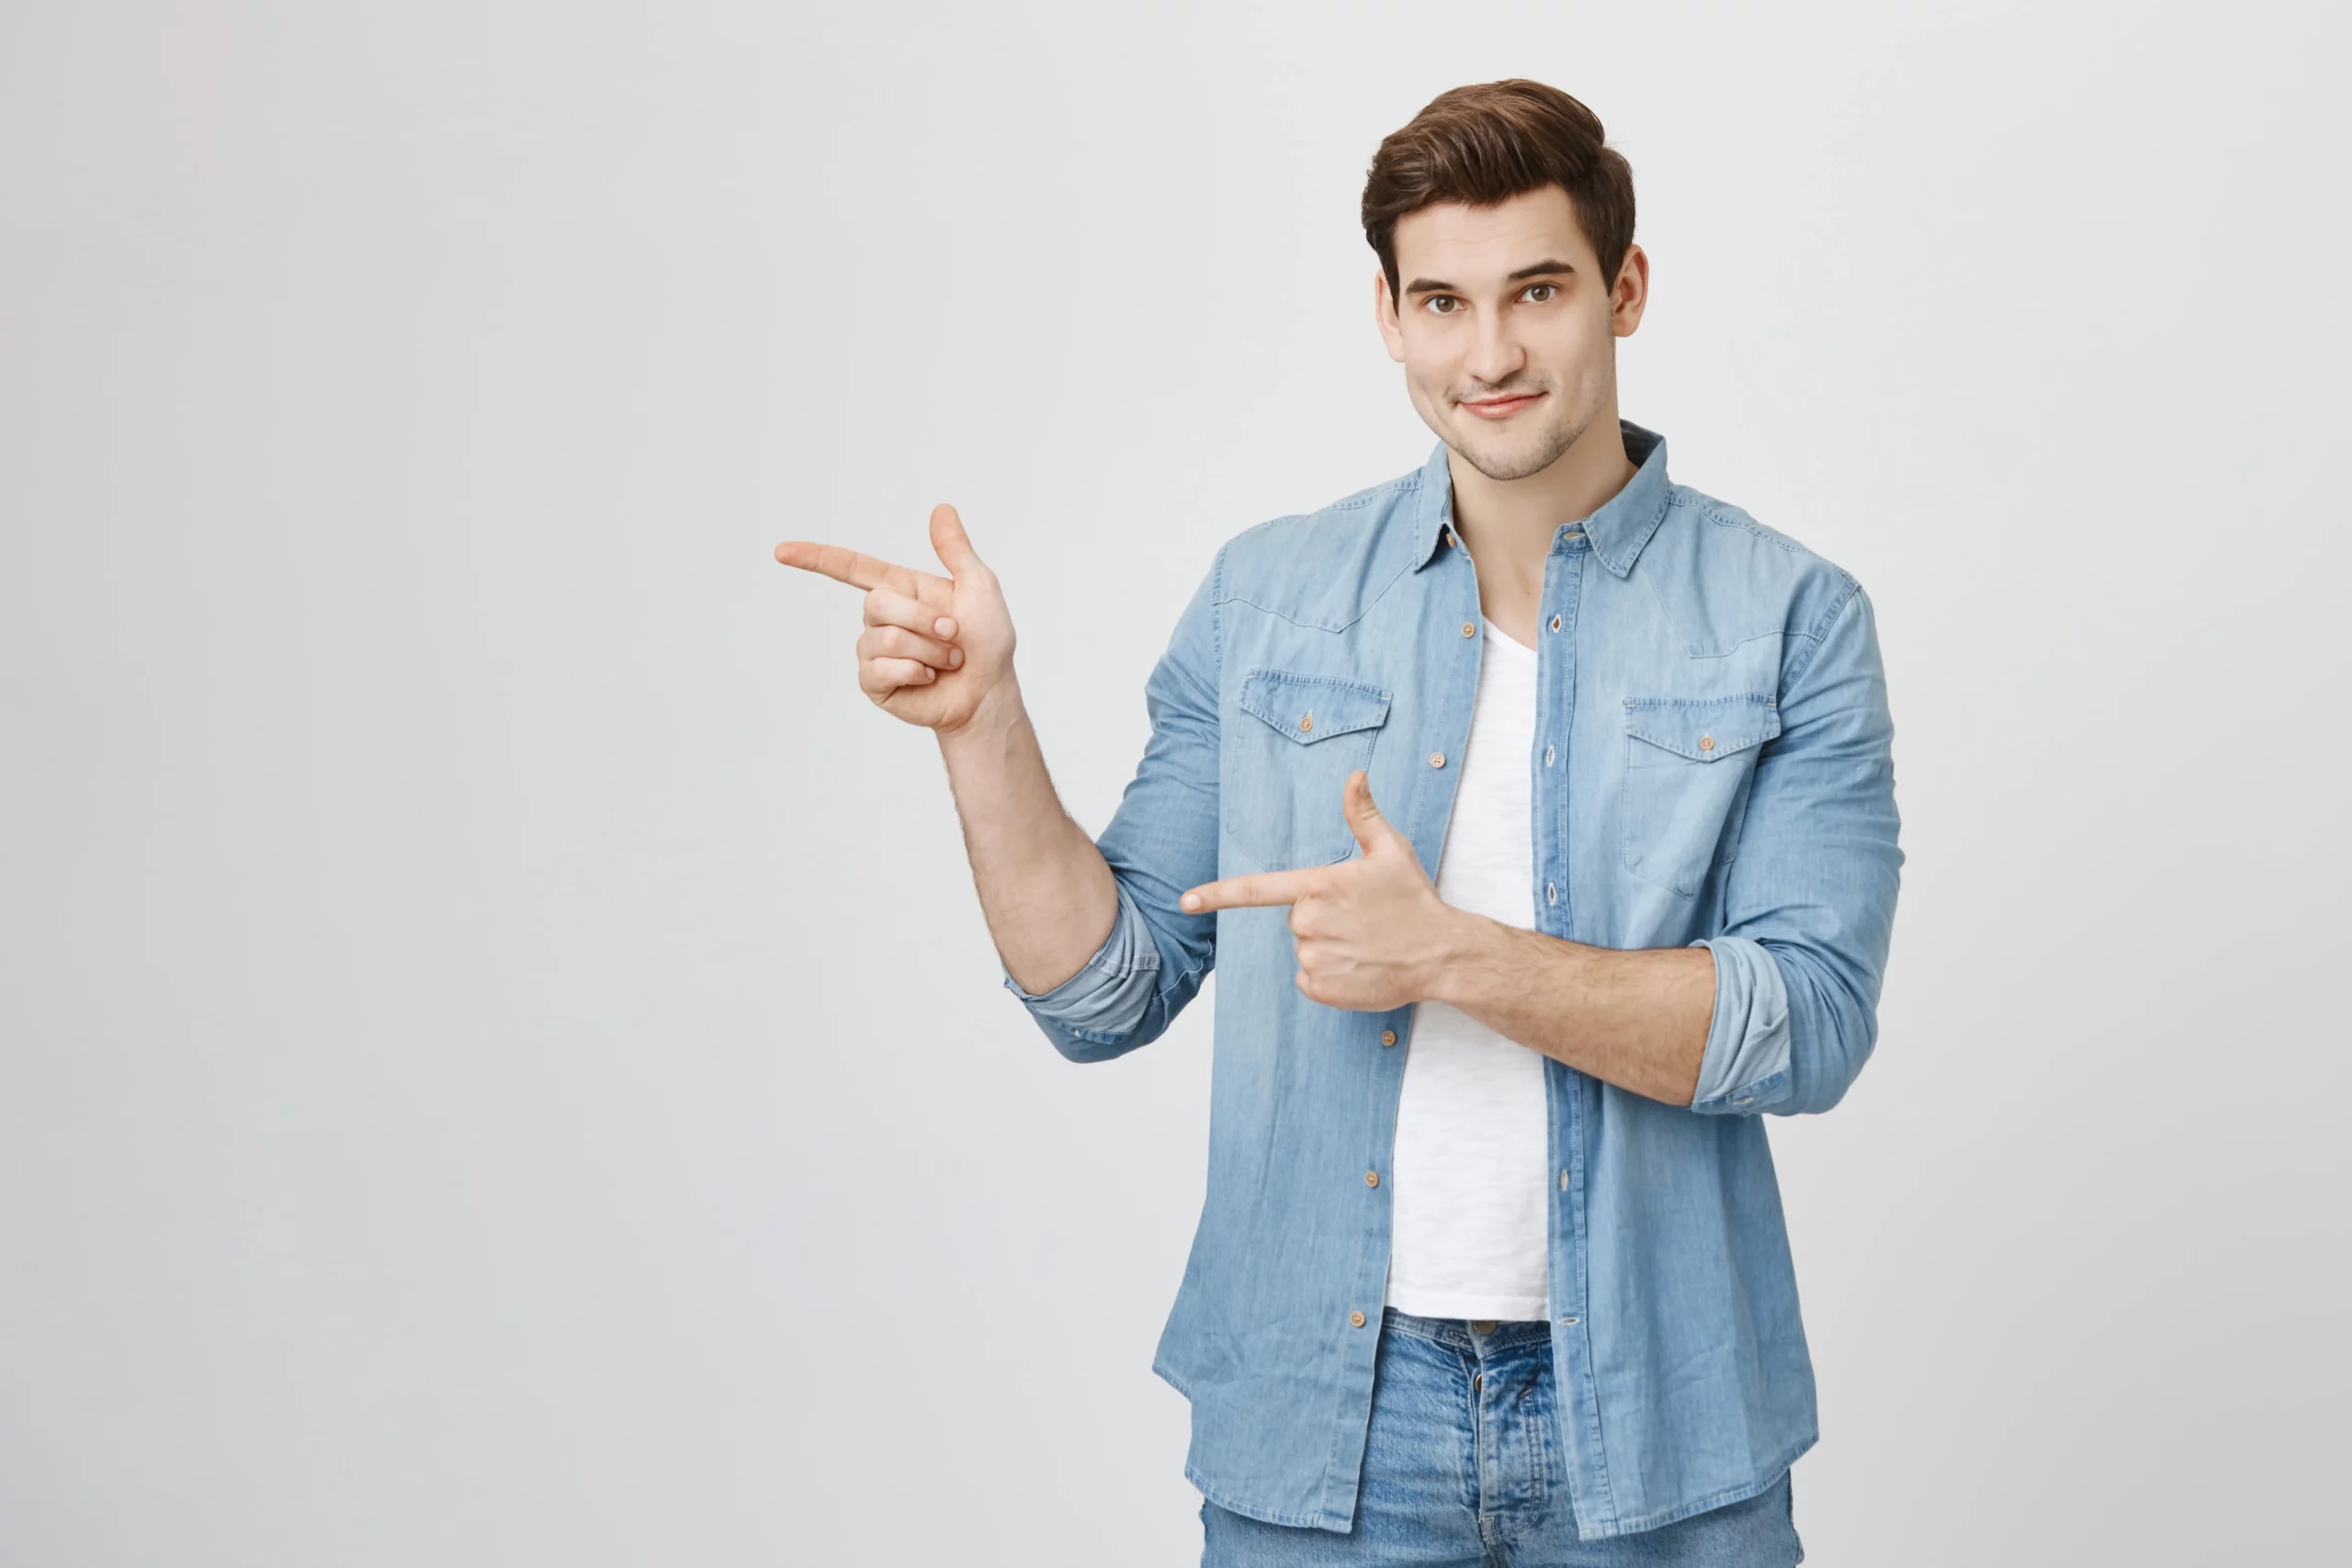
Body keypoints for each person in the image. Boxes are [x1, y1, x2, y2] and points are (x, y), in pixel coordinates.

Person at [777, 79, 1900, 1567]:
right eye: (1441, 300)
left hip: (1662, 1431)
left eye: (1539, 292)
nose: (1489, 352)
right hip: (1329, 1422)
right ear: (1387, 313)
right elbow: (1102, 992)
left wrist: (1455, 957)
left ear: (1623, 291)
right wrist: (985, 724)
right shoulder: (1271, 598)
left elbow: (1808, 1023)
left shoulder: (1790, 619)